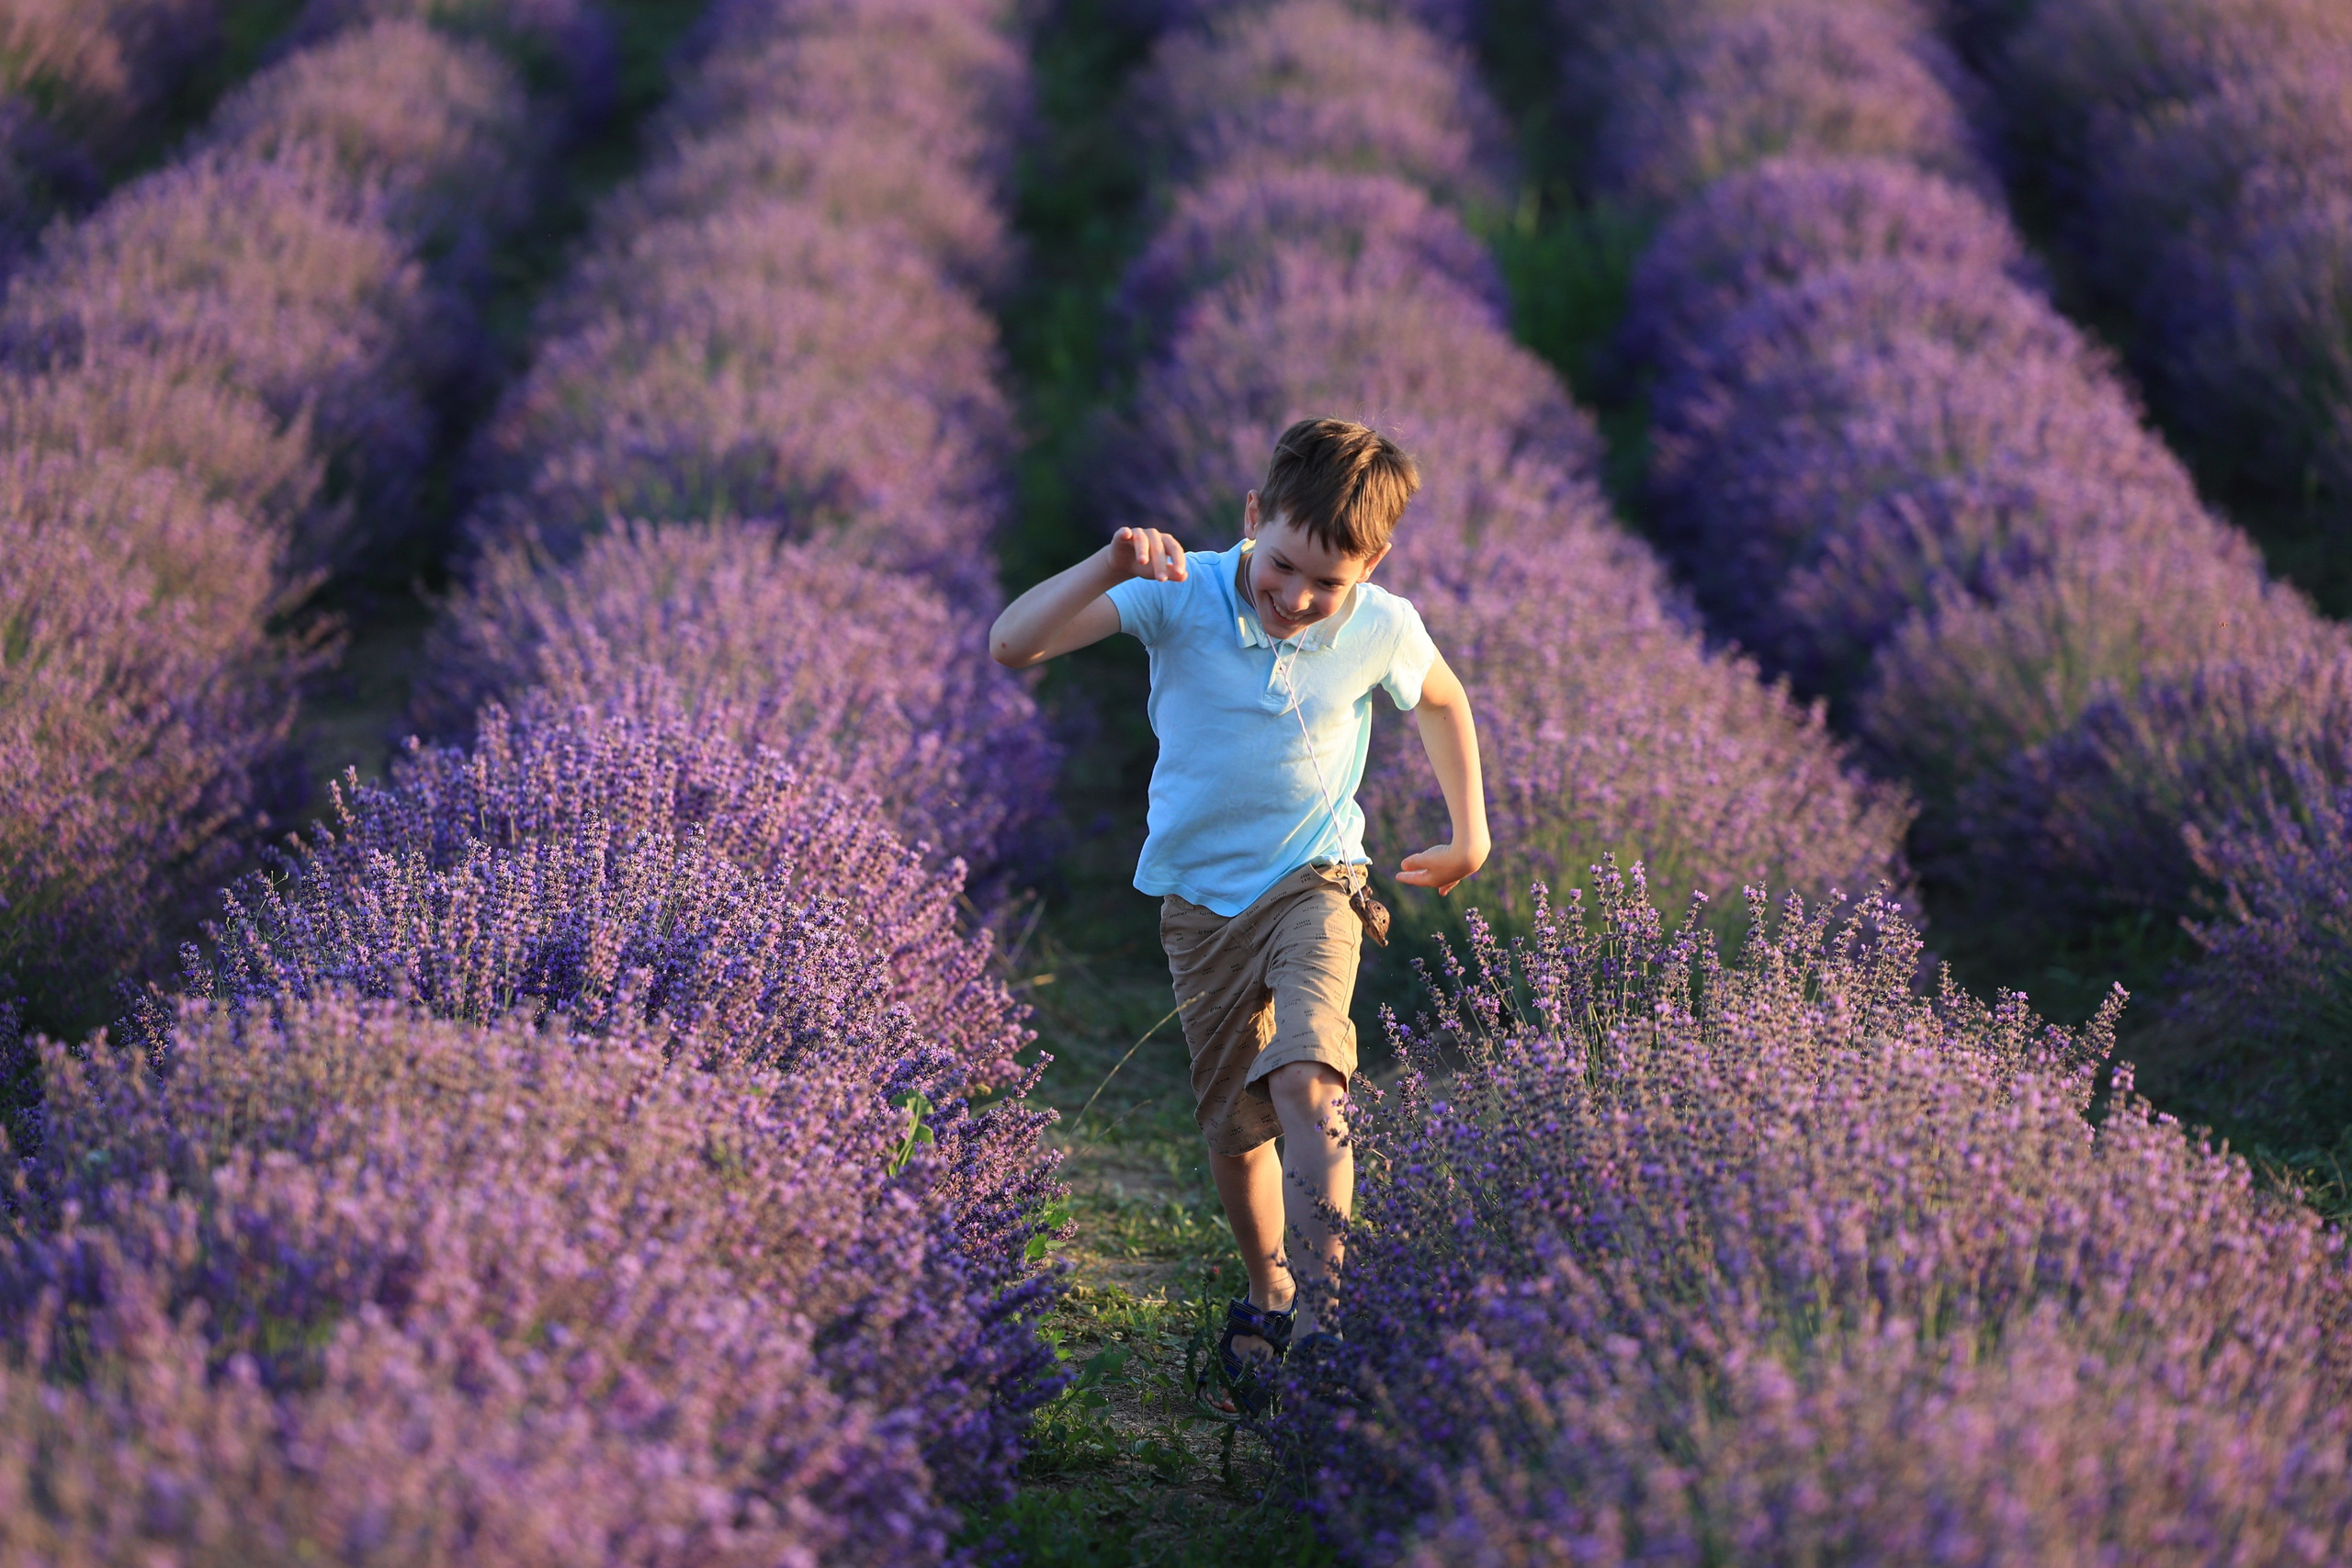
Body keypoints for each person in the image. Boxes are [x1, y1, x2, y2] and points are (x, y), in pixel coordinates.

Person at [989, 417, 1490, 1412]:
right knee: (1234, 1129)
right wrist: (1107, 564)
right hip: (1200, 904)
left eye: (1328, 584)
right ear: (1252, 519)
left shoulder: (1379, 622)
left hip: (1319, 880)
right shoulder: (1182, 597)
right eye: (1283, 566)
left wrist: (1469, 832)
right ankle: (1269, 1290)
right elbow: (1014, 645)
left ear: (1373, 564)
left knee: (1308, 1075)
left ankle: (1324, 1325)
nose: (1298, 599)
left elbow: (1439, 698)